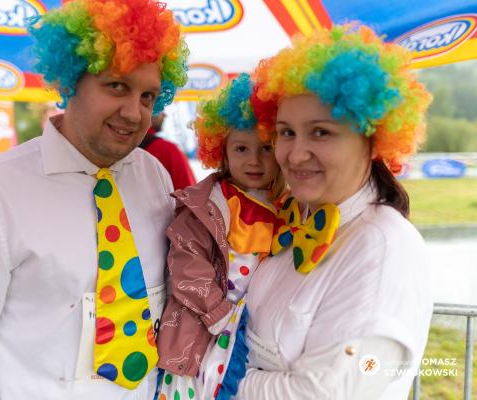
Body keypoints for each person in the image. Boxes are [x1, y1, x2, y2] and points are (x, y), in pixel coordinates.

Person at [0, 1, 188, 399]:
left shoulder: (153, 176)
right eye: (117, 86)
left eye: (148, 96)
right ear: (70, 80)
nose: (133, 112)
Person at [233, 24, 433, 399]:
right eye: (286, 132)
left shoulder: (383, 251)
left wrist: (214, 375)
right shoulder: (289, 218)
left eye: (321, 132)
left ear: (373, 139)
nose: (295, 155)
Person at [156, 74, 285, 399]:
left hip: (255, 337)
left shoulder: (290, 208)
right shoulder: (206, 206)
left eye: (266, 148)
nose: (254, 160)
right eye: (241, 148)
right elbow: (186, 265)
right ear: (222, 152)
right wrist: (218, 313)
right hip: (201, 333)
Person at [139, 112, 196, 190]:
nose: (165, 115)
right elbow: (190, 192)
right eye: (160, 110)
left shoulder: (126, 148)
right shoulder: (167, 149)